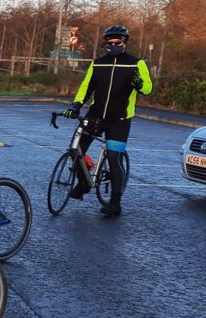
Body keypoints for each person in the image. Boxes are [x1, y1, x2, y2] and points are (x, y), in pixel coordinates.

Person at [61, 24, 153, 217]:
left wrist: (140, 84)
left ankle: (115, 202)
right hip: (96, 115)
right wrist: (76, 105)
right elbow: (87, 86)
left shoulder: (137, 63)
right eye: (109, 43)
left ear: (125, 42)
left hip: (119, 118)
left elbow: (148, 88)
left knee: (113, 158)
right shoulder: (98, 63)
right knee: (75, 150)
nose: (113, 45)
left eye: (117, 42)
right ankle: (84, 182)